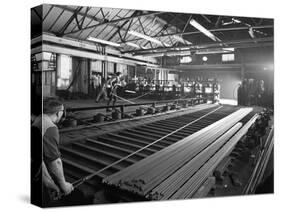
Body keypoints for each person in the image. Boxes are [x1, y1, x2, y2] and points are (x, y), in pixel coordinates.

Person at [32, 98, 73, 206]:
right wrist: (63, 185)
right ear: (59, 112)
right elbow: (54, 162)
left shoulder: (36, 120)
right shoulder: (50, 128)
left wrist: (49, 182)